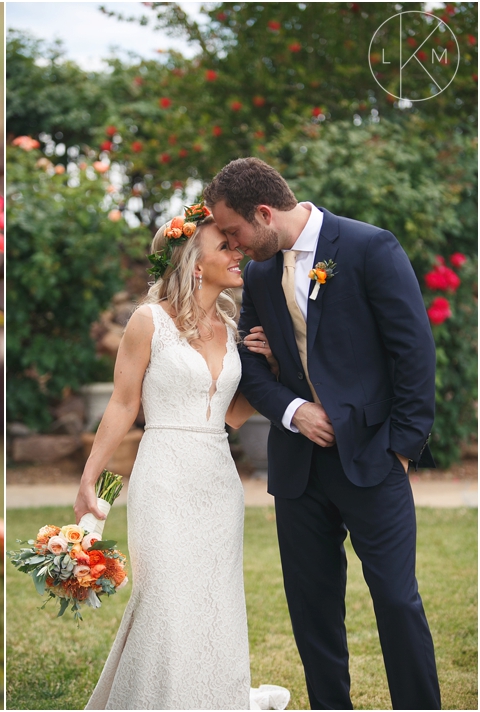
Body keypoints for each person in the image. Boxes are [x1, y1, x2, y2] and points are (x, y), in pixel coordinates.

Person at [204, 157, 440, 710]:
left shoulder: (369, 247)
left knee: (396, 600)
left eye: (235, 232)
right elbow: (251, 366)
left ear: (264, 213)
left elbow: (414, 353)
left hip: (374, 458)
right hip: (297, 468)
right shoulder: (260, 274)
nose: (233, 247)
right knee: (312, 611)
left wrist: (401, 447)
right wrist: (293, 411)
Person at [75, 201, 286, 710]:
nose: (238, 251)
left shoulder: (235, 332)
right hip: (163, 476)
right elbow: (124, 404)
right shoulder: (149, 321)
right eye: (226, 246)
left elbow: (230, 416)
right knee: (165, 601)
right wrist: (90, 478)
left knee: (215, 601)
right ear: (194, 261)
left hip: (217, 479)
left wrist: (272, 366)